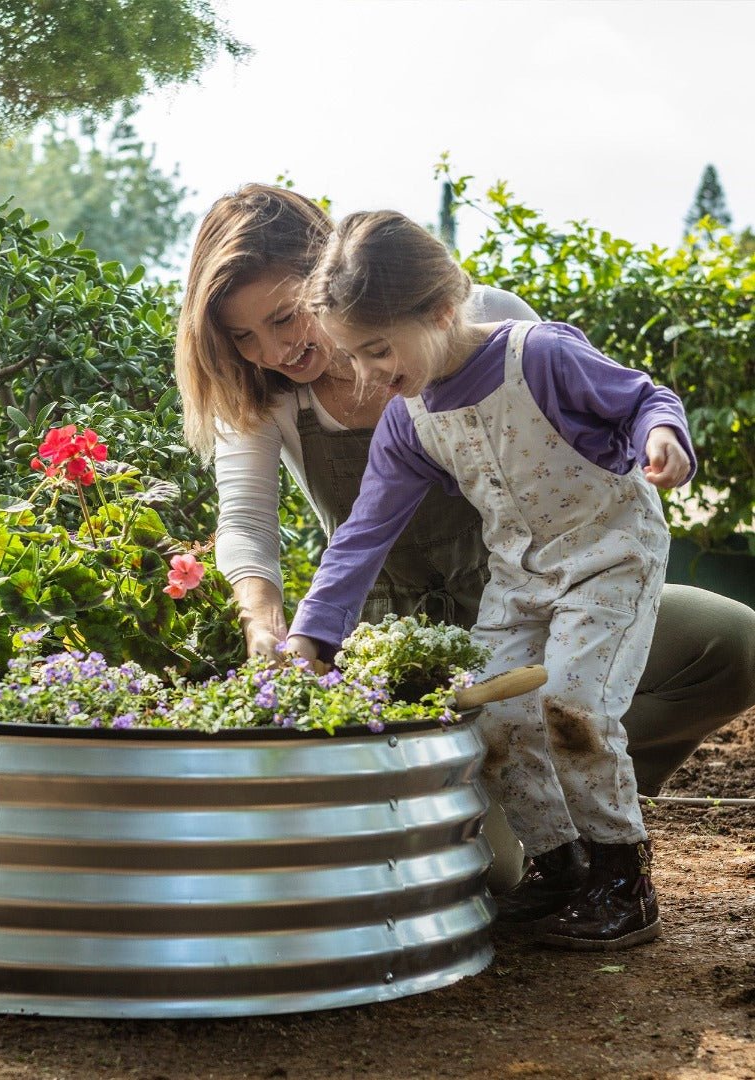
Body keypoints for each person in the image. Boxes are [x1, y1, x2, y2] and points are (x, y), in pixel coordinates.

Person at [173, 182, 755, 902]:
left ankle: (596, 806)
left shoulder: (492, 331)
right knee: (490, 879)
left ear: (328, 278)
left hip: (539, 592)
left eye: (287, 317)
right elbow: (283, 528)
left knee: (727, 643)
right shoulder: (278, 398)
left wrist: (655, 444)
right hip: (413, 636)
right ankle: (543, 807)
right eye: (244, 336)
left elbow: (586, 415)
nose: (274, 351)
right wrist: (279, 630)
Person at [281, 208, 698, 949]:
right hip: (520, 577)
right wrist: (313, 632)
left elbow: (642, 399)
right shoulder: (409, 420)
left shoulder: (538, 355)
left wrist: (662, 438)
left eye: (379, 350)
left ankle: (622, 880)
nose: (371, 375)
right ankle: (561, 867)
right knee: (495, 718)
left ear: (441, 309)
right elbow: (364, 532)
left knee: (572, 706)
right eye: (356, 358)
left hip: (609, 556)